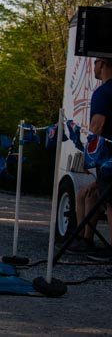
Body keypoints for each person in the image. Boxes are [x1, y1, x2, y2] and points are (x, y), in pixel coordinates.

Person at [68, 57, 112, 260]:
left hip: (108, 159)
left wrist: (89, 160)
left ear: (103, 65)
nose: (93, 66)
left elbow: (97, 125)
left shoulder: (103, 92)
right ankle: (85, 240)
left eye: (95, 62)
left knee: (110, 203)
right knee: (89, 193)